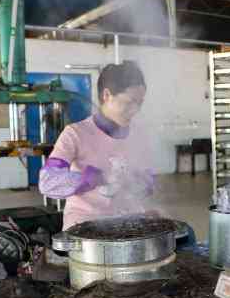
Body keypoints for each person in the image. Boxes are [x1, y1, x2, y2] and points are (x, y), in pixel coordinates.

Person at [39, 61, 157, 230]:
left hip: (128, 223)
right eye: (130, 102)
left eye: (140, 103)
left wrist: (140, 183)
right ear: (106, 95)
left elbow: (148, 181)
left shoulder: (139, 134)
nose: (136, 110)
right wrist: (92, 179)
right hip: (84, 225)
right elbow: (48, 182)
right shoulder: (75, 134)